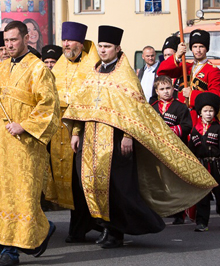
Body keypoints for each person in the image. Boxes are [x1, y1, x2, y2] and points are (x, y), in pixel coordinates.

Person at [66, 26, 217, 250]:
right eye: (101, 46)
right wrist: (76, 132)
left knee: (117, 188)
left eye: (107, 47)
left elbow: (134, 109)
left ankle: (116, 231)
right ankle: (104, 225)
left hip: (116, 141)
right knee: (89, 183)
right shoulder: (94, 72)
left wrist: (128, 136)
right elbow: (81, 105)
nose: (103, 50)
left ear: (117, 48)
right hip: (90, 140)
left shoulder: (125, 75)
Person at [0, 21, 58, 266]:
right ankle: (36, 233)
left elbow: (49, 107)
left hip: (26, 144)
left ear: (27, 39)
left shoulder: (39, 69)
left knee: (24, 194)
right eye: (6, 41)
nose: (9, 45)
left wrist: (24, 125)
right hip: (2, 143)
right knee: (6, 195)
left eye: (14, 40)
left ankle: (11, 251)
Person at [47, 21, 99, 243]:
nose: (66, 45)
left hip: (88, 130)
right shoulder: (59, 65)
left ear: (80, 43)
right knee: (72, 181)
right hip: (61, 131)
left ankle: (104, 225)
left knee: (88, 179)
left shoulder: (92, 64)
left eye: (70, 41)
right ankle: (77, 228)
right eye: (64, 40)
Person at [151, 75, 193, 225]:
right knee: (159, 181)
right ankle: (160, 211)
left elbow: (187, 126)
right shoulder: (153, 107)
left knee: (176, 182)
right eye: (162, 89)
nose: (166, 92)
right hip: (158, 150)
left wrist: (171, 131)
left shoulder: (180, 106)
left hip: (176, 149)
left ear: (173, 89)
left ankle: (179, 214)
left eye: (168, 88)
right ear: (157, 91)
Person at [158, 29, 220, 118]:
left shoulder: (213, 70)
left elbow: (215, 96)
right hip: (180, 115)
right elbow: (161, 71)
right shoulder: (185, 66)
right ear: (191, 49)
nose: (198, 50)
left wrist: (192, 95)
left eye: (201, 46)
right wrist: (177, 55)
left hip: (198, 117)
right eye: (195, 46)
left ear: (206, 48)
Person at [189, 92, 220, 232]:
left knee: (219, 194)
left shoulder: (218, 128)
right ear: (200, 112)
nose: (208, 114)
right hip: (202, 166)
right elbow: (191, 151)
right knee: (203, 197)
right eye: (205, 111)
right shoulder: (195, 131)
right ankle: (202, 222)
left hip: (216, 166)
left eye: (211, 111)